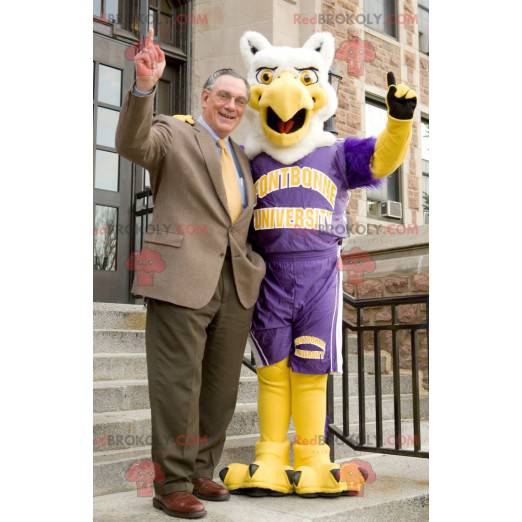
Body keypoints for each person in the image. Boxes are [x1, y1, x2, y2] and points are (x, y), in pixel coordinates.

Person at [115, 28, 266, 519]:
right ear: (204, 98)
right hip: (181, 277)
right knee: (178, 385)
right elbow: (132, 143)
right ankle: (172, 482)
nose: (231, 105)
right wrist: (144, 86)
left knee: (221, 387)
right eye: (223, 96)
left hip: (235, 282)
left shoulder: (242, 158)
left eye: (239, 100)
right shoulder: (173, 131)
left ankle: (203, 468)